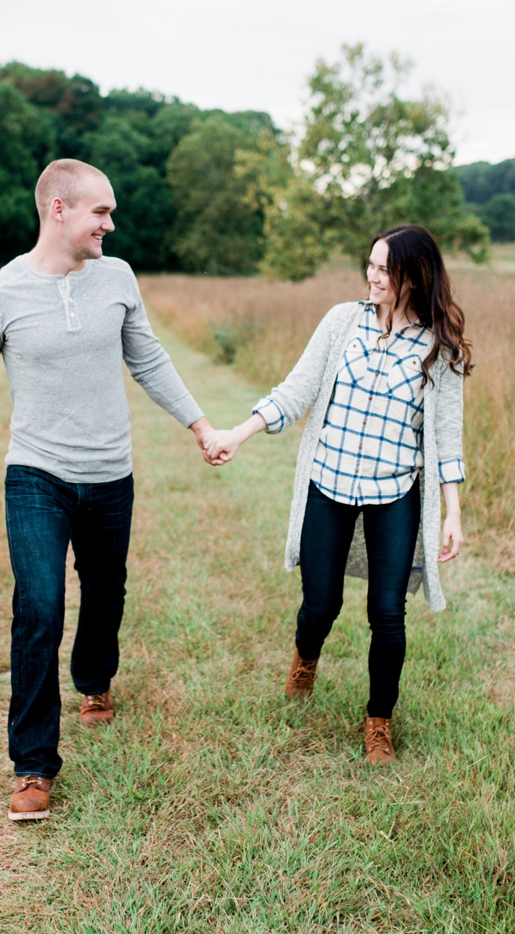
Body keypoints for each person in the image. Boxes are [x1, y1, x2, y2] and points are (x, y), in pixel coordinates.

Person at [0, 159, 216, 820]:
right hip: (36, 475)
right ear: (59, 210)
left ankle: (96, 681)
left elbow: (149, 357)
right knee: (40, 607)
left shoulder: (118, 278)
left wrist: (198, 423)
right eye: (100, 211)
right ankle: (34, 766)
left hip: (110, 474)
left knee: (105, 592)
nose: (111, 222)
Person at [205, 224, 471, 766]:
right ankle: (305, 659)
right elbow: (297, 389)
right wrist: (239, 432)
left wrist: (453, 513)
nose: (371, 276)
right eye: (369, 265)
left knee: (387, 611)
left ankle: (379, 722)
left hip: (394, 492)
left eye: (383, 269)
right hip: (328, 483)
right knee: (320, 604)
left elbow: (448, 435)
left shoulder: (439, 348)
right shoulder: (341, 322)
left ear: (412, 278)